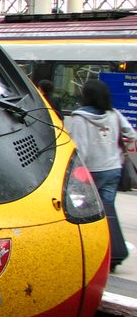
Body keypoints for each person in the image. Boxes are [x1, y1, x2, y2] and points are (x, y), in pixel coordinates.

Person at [65, 79, 137, 271]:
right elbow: (131, 135)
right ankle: (113, 252)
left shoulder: (79, 118)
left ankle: (93, 253)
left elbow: (80, 150)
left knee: (87, 214)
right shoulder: (114, 114)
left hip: (91, 172)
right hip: (113, 168)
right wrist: (119, 152)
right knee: (108, 211)